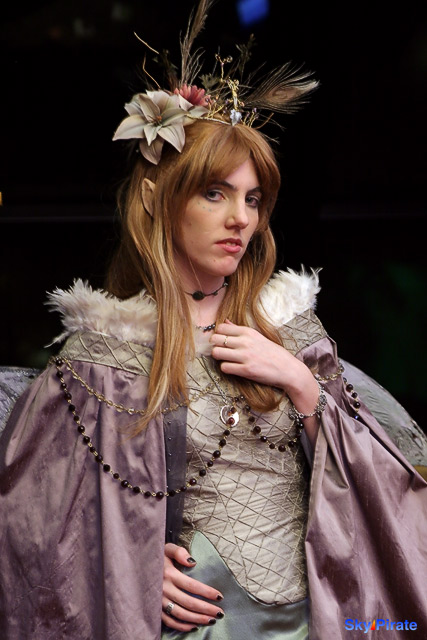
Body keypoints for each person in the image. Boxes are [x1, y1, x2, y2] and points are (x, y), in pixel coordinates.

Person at [1, 2, 426, 639]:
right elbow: (31, 520)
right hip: (205, 625)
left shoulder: (290, 328)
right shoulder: (103, 357)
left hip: (323, 613)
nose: (241, 219)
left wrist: (300, 384)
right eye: (215, 193)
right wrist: (124, 562)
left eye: (253, 199)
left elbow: (383, 482)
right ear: (157, 199)